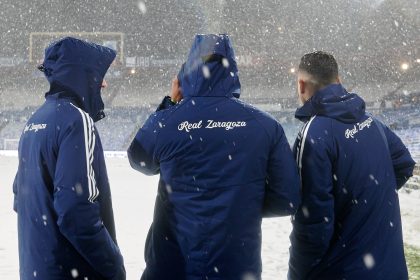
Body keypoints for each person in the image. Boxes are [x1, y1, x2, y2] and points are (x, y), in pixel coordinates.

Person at [127, 34, 301, 280]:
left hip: (172, 265)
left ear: (188, 70)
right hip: (237, 266)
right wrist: (240, 204)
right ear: (232, 71)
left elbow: (139, 161)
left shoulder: (167, 121)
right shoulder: (265, 126)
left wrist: (170, 104)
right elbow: (287, 199)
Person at [288, 51, 416, 279]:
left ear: (301, 85)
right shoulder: (372, 122)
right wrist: (366, 203)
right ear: (338, 81)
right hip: (390, 266)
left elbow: (313, 224)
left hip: (344, 271)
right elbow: (403, 164)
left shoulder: (315, 134)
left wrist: (297, 275)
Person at [13, 37, 125, 280]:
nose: (104, 84)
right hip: (69, 271)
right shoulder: (76, 120)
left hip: (37, 268)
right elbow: (75, 209)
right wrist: (113, 264)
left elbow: (19, 199)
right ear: (84, 75)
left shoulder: (34, 121)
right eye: (100, 75)